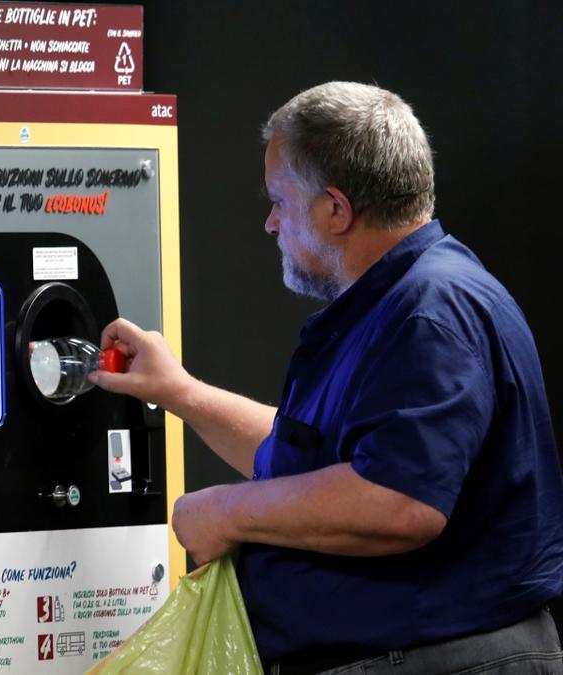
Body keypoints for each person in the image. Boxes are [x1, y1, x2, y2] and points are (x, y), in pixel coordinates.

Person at [89, 81, 563, 673]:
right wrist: (178, 392)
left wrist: (226, 512)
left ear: (335, 210)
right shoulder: (398, 303)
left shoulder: (431, 314)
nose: (269, 224)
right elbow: (318, 466)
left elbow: (397, 500)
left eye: (280, 202)